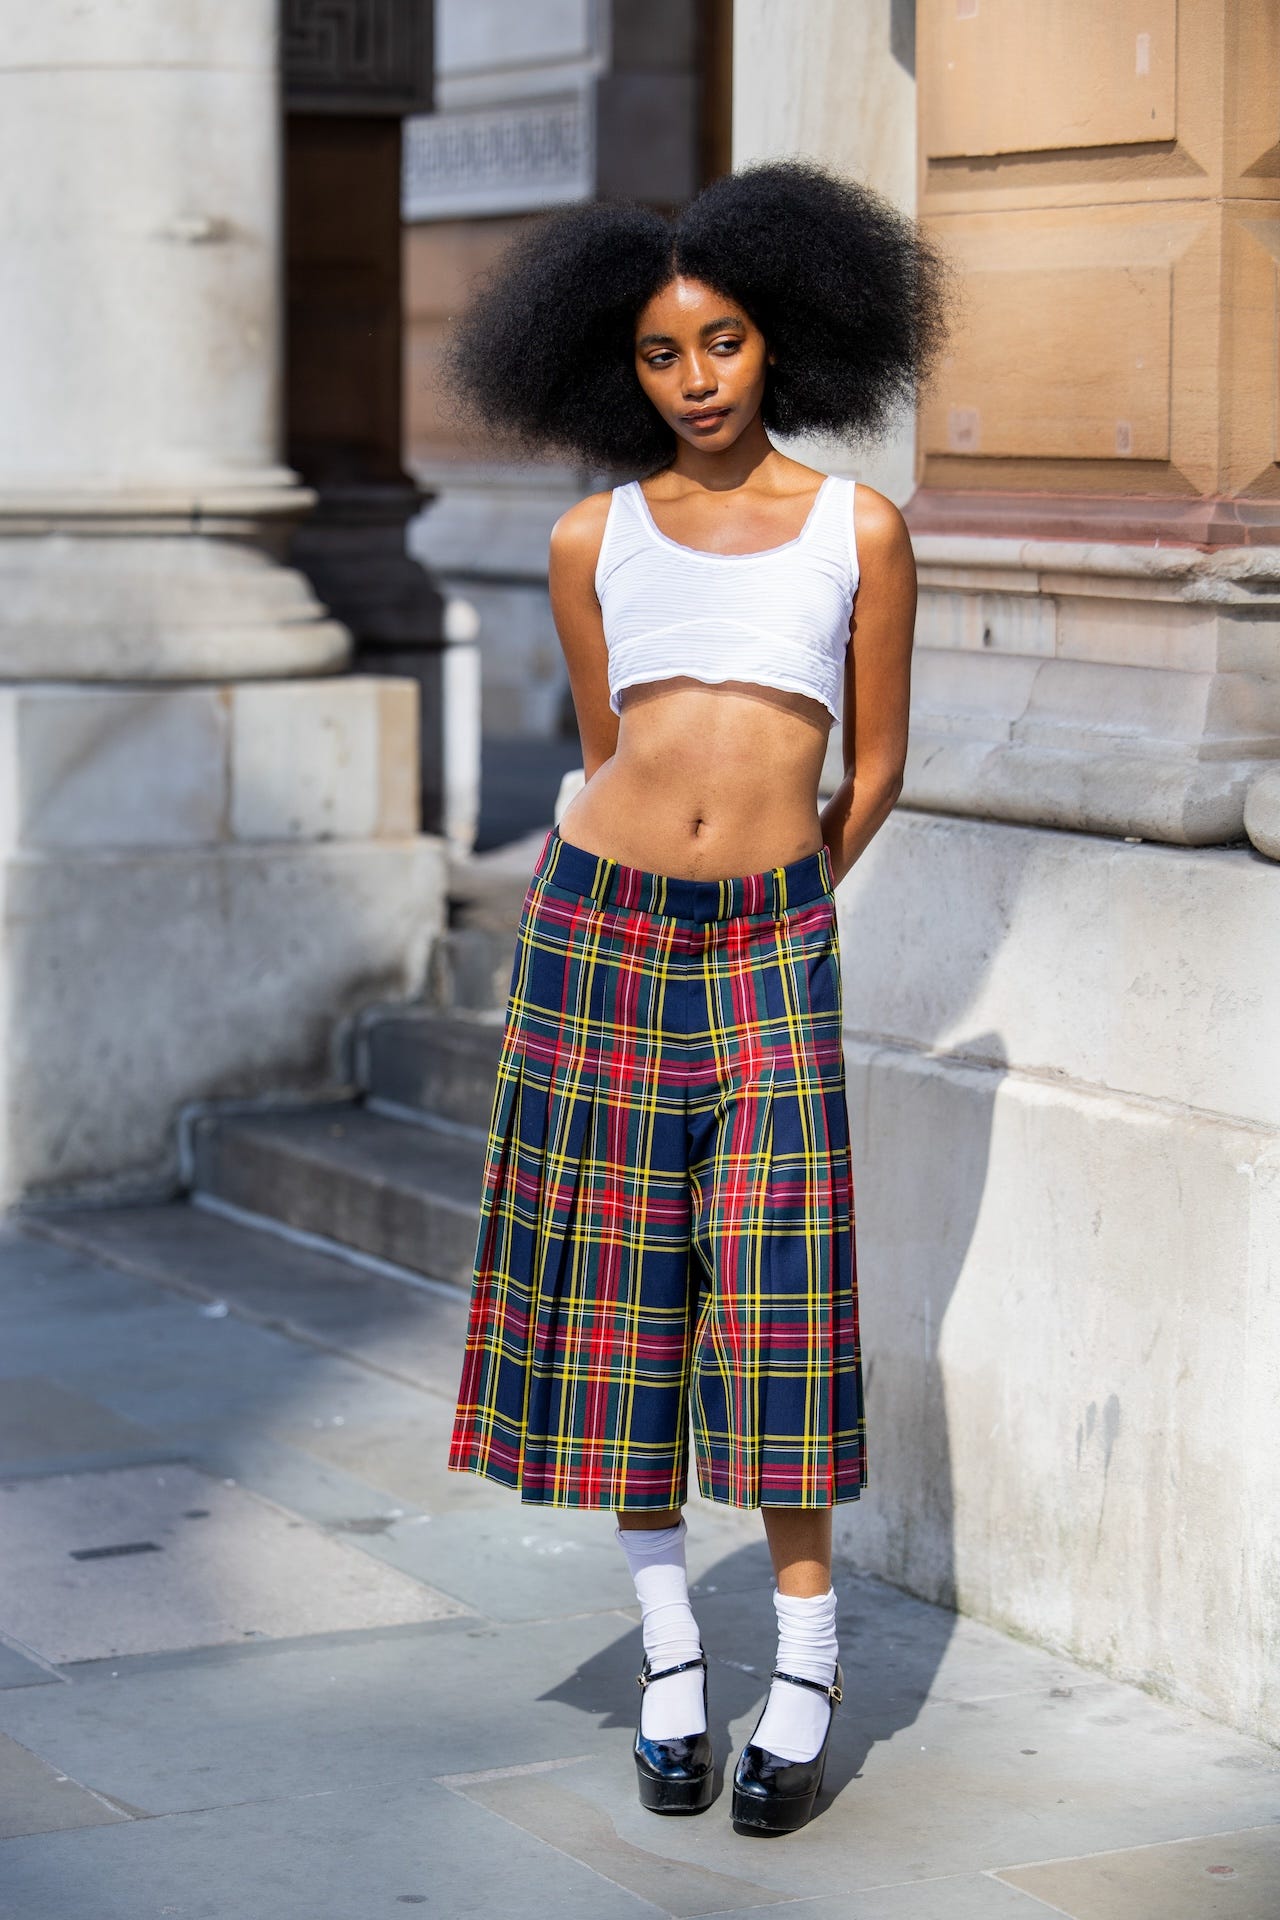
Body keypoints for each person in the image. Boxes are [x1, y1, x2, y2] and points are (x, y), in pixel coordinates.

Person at [444, 157, 947, 1835]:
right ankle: (673, 1659)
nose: (699, 378)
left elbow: (869, 767)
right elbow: (607, 749)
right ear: (619, 368)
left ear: (782, 340)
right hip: (597, 936)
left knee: (784, 1301)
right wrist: (630, 866)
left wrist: (782, 891)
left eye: (723, 341)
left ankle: (804, 1671)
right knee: (621, 1299)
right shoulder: (593, 537)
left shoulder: (857, 527)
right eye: (663, 355)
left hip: (767, 950)